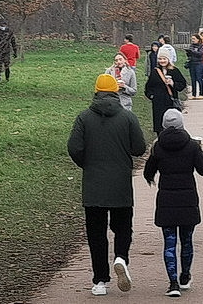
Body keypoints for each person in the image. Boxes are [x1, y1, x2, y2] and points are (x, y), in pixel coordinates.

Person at [68, 74, 147, 295]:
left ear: (95, 91)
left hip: (93, 185)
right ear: (116, 92)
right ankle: (121, 257)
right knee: (123, 227)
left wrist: (87, 164)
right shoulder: (127, 117)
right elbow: (139, 148)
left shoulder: (84, 118)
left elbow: (74, 147)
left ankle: (100, 280)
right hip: (120, 183)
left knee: (96, 233)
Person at [143, 109, 203, 297]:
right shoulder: (191, 146)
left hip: (166, 199)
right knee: (187, 241)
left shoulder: (158, 147)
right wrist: (200, 150)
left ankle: (172, 283)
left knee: (169, 243)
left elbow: (148, 173)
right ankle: (185, 275)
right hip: (188, 199)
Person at [144, 47, 187, 135]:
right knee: (159, 126)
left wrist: (173, 84)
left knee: (171, 125)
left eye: (164, 59)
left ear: (168, 59)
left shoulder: (174, 71)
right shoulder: (155, 72)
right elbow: (148, 87)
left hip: (170, 102)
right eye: (160, 59)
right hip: (158, 103)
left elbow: (182, 85)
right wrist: (152, 96)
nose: (162, 61)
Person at [186, 34, 203, 100]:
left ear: (198, 39)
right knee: (193, 79)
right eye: (192, 39)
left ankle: (201, 93)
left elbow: (200, 53)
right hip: (192, 63)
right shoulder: (191, 46)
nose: (193, 40)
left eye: (194, 39)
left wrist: (192, 52)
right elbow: (189, 54)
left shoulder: (202, 46)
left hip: (199, 63)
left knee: (199, 78)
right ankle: (193, 94)